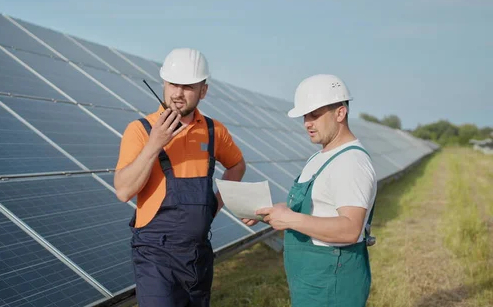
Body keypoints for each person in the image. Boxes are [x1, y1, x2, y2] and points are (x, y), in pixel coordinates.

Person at [113, 48, 246, 307]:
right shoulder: (140, 130)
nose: (177, 94)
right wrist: (155, 144)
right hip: (155, 255)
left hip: (198, 255)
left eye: (188, 87)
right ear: (163, 84)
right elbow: (122, 191)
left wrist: (213, 205)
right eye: (173, 84)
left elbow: (237, 166)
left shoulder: (213, 130)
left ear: (203, 91)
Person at [253, 74, 377, 307]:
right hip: (313, 280)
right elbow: (315, 212)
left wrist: (290, 218)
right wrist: (272, 214)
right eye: (305, 116)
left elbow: (350, 228)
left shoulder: (350, 162)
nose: (307, 123)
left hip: (332, 281)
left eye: (315, 115)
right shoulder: (320, 157)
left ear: (340, 113)